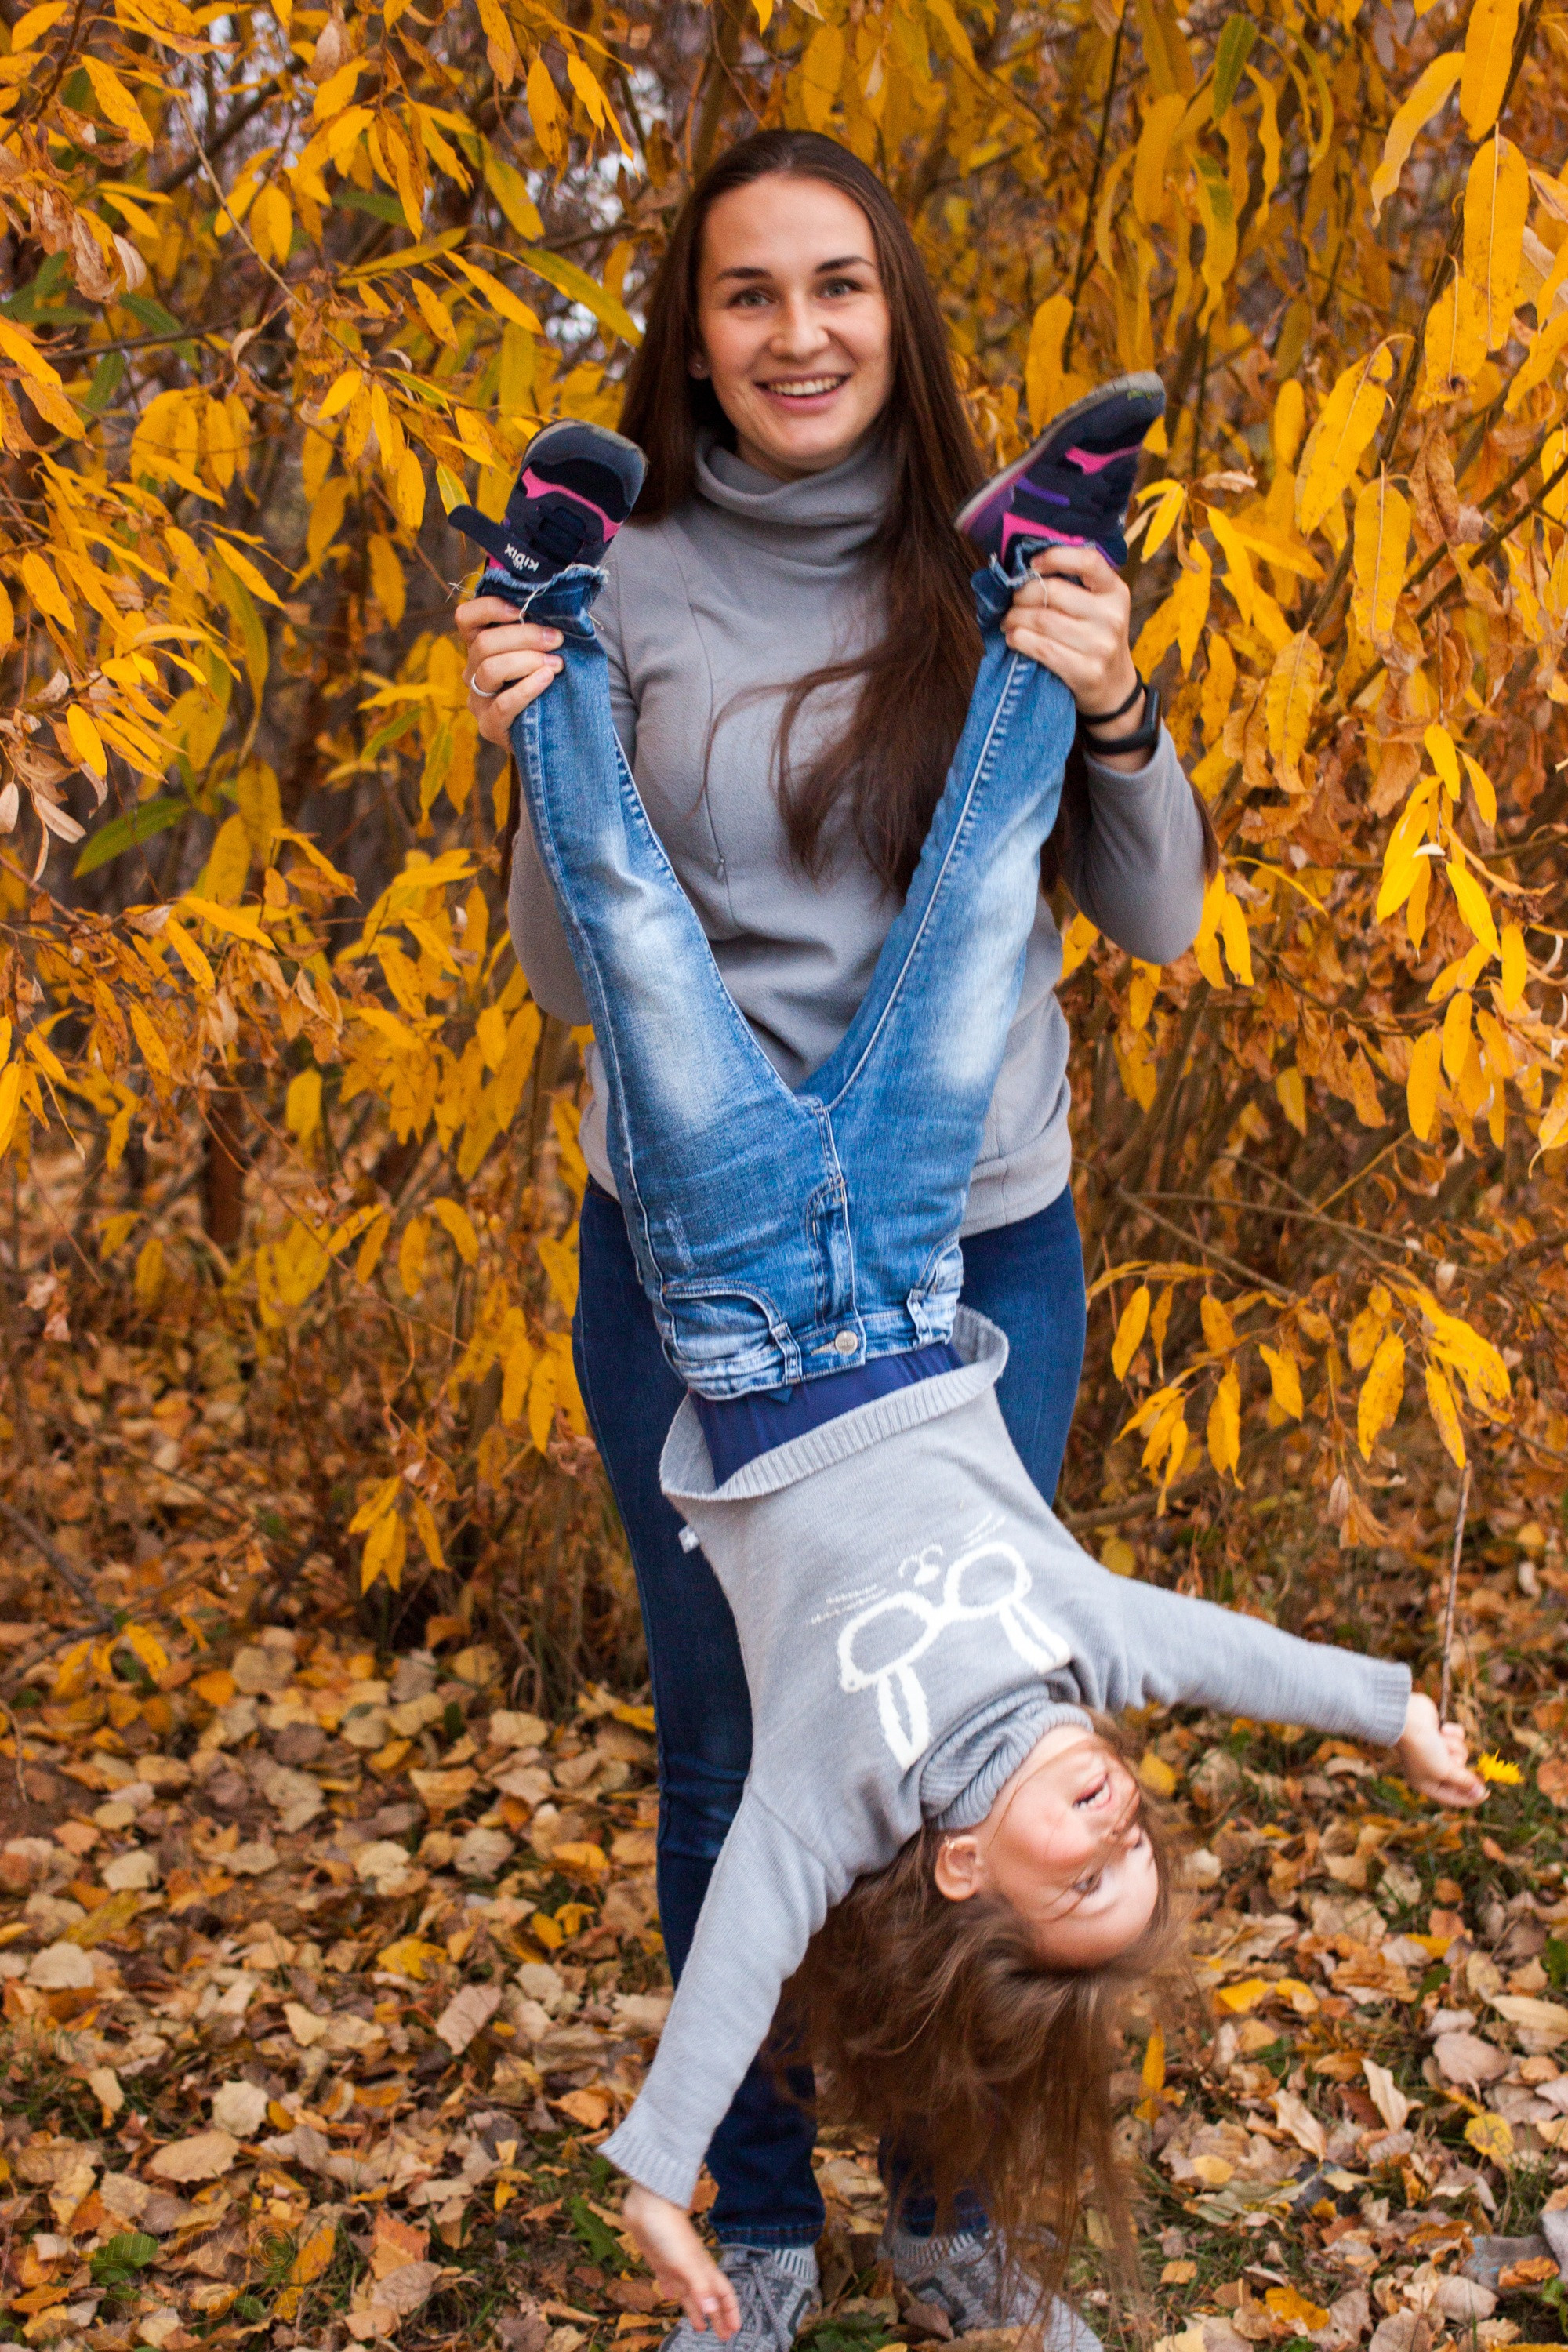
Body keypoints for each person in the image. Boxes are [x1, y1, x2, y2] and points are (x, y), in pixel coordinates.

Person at [449, 408, 1487, 2344]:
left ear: (957, 1871)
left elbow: (748, 1951)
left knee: (645, 941)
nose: (1117, 1832)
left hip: (745, 1290)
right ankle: (1034, 559)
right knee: (976, 903)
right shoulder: (1081, 1649)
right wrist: (1396, 1712)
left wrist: (656, 2171)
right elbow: (1239, 1657)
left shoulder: (837, 1789)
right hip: (919, 1263)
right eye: (1139, 1851)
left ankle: (554, 599)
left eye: (1075, 1879)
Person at [457, 127, 1214, 2347]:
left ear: (902, 315)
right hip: (698, 1274)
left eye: (839, 288)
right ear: (691, 340)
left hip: (973, 1251)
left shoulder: (994, 587)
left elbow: (1155, 921)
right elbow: (578, 982)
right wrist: (540, 747)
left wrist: (1115, 700)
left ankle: (958, 2236)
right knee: (733, 1753)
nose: (799, 334)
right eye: (749, 295)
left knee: (977, 1731)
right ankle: (763, 2231)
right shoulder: (626, 582)